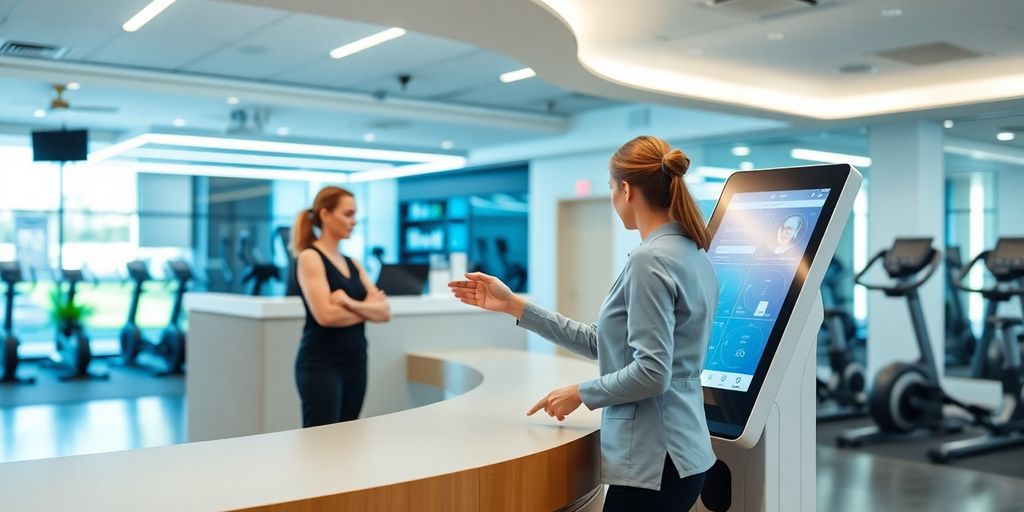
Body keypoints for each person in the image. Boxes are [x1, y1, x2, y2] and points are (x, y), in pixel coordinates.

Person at [449, 135, 717, 511]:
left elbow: (652, 372)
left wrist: (581, 392)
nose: (612, 198)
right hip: (683, 454)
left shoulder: (649, 261)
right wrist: (515, 306)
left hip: (653, 461)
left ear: (626, 189)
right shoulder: (693, 253)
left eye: (610, 188)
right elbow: (602, 342)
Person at [291, 186, 391, 428]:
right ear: (325, 215)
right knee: (321, 446)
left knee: (348, 441)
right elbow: (325, 315)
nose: (354, 221)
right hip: (321, 366)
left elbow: (385, 312)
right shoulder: (310, 257)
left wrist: (349, 303)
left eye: (355, 214)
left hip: (356, 362)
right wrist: (367, 308)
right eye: (348, 214)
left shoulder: (353, 263)